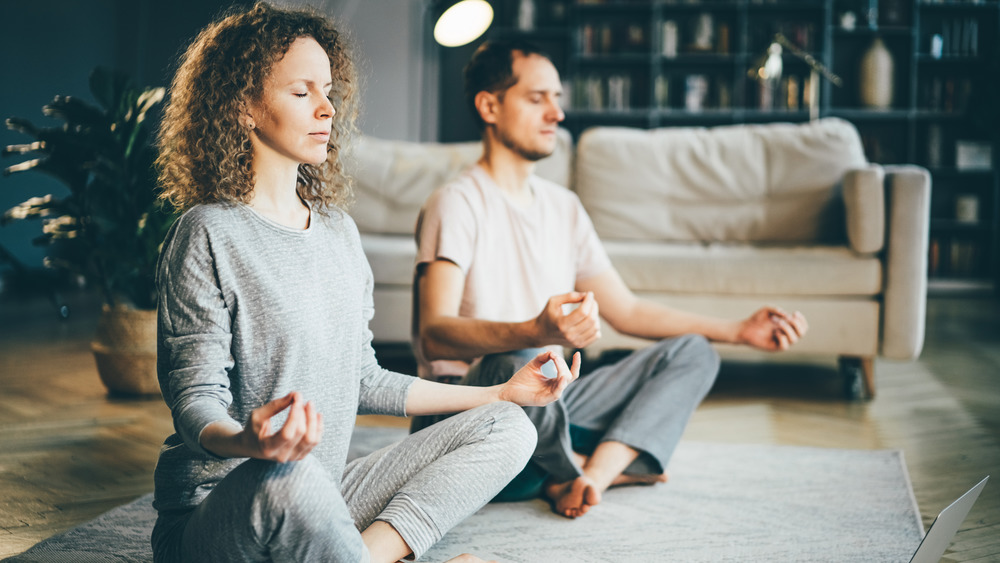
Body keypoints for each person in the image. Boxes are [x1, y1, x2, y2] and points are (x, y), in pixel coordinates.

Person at [152, 6, 580, 563]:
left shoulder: (338, 233)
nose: (328, 109)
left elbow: (364, 378)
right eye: (302, 93)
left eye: (328, 90)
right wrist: (249, 442)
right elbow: (195, 402)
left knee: (510, 427)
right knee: (289, 474)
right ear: (244, 106)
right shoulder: (207, 232)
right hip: (226, 511)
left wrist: (501, 392)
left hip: (321, 494)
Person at [412, 39, 809, 519]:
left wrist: (738, 331)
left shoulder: (564, 208)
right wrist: (535, 331)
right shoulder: (457, 202)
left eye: (558, 99)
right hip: (467, 412)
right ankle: (578, 468)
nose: (556, 114)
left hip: (547, 404)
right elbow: (435, 334)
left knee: (694, 351)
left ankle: (586, 478)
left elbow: (629, 311)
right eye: (537, 99)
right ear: (490, 105)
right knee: (527, 357)